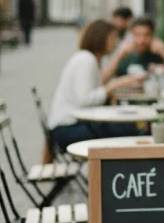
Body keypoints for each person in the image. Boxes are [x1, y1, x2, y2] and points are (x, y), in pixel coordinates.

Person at [47, 19, 144, 152]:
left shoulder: (90, 59)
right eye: (112, 38)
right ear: (101, 38)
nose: (115, 43)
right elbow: (85, 100)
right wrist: (113, 85)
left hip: (71, 125)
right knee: (128, 132)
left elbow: (96, 89)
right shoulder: (86, 60)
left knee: (126, 128)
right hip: (67, 128)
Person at [102, 15, 164, 86]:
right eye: (138, 35)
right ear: (131, 35)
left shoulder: (161, 55)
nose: (142, 40)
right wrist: (119, 55)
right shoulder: (124, 55)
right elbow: (103, 82)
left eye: (146, 35)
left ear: (153, 35)